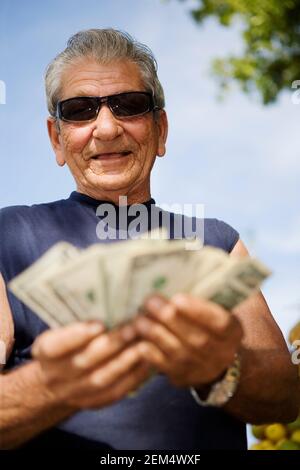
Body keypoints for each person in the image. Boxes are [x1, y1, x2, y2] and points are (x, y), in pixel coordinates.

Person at [0, 28, 298, 450]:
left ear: (160, 129)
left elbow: (284, 398)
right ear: (57, 139)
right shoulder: (6, 236)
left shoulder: (216, 240)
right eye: (81, 109)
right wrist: (54, 385)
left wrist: (220, 367)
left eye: (130, 105)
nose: (106, 128)